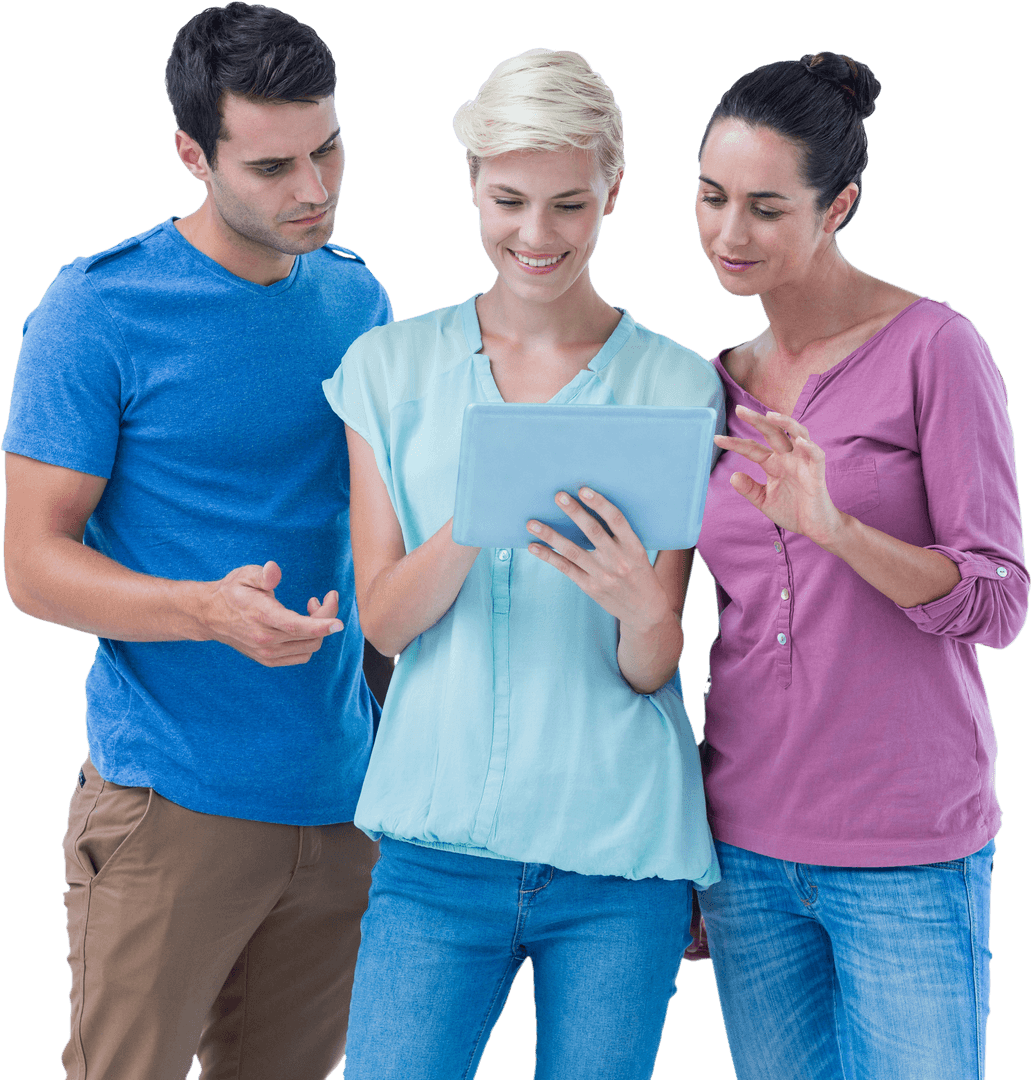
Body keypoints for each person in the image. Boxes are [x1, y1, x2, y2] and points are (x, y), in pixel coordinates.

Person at [2, 4, 391, 1078]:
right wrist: (203, 611)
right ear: (193, 154)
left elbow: (374, 536)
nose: (312, 189)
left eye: (329, 149)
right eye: (272, 166)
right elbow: (32, 563)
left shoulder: (358, 298)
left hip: (341, 804)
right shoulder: (96, 311)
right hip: (170, 810)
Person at [321, 48, 724, 1080]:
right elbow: (386, 624)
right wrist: (480, 506)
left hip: (615, 861)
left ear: (614, 192)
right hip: (433, 857)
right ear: (471, 182)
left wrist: (641, 608)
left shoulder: (677, 384)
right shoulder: (389, 370)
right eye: (508, 199)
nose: (536, 236)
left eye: (569, 205)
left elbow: (651, 666)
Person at [690, 53, 1028, 1080]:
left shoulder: (937, 348)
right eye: (710, 197)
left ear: (837, 206)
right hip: (747, 844)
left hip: (907, 848)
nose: (728, 234)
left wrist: (834, 525)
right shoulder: (714, 385)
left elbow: (998, 601)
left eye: (764, 207)